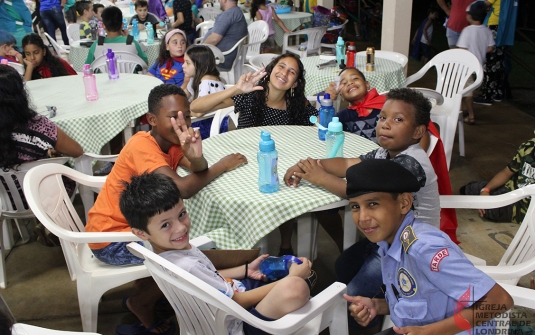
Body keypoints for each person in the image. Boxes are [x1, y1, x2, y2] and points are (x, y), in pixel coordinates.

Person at [85, 84, 247, 334]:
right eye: (173, 117)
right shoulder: (143, 145)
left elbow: (196, 168)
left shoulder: (170, 141)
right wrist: (222, 165)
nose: (181, 123)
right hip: (110, 238)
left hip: (136, 228)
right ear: (151, 120)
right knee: (184, 255)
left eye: (187, 116)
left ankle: (149, 290)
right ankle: (142, 301)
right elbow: (183, 189)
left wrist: (195, 157)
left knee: (182, 237)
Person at [284, 88, 440, 331]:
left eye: (398, 120)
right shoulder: (383, 153)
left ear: (418, 131)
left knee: (354, 295)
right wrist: (310, 165)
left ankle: (358, 320)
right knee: (344, 264)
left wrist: (320, 177)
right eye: (382, 118)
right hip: (386, 240)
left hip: (411, 251)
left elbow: (364, 195)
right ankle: (365, 313)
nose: (386, 125)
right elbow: (350, 164)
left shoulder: (411, 163)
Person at [121, 172, 314, 335]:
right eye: (166, 224)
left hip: (221, 309)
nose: (181, 228)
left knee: (282, 271)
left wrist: (246, 269)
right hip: (236, 324)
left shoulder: (165, 254)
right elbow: (236, 302)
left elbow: (205, 279)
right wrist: (293, 279)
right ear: (141, 233)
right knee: (297, 287)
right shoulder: (186, 265)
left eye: (181, 214)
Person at [343, 159, 514, 334]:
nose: (362, 217)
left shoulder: (424, 248)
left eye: (373, 204)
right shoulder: (389, 244)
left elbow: (500, 300)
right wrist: (377, 306)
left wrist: (428, 332)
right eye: (355, 206)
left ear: (404, 203)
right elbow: (419, 300)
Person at [192, 53, 317, 255]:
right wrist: (235, 89)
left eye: (291, 72)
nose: (284, 73)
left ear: (295, 83)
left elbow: (318, 128)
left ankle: (286, 243)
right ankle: (246, 248)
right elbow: (195, 109)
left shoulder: (298, 105)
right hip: (244, 164)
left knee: (291, 191)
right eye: (281, 66)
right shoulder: (251, 94)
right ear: (270, 70)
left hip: (279, 166)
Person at [0, 64, 83, 246]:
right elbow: (77, 151)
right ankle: (54, 224)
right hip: (44, 197)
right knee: (62, 169)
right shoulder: (38, 125)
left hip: (7, 201)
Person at [460, 136, 535, 224]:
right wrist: (485, 190)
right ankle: (482, 188)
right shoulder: (528, 146)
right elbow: (507, 172)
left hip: (523, 208)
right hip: (512, 188)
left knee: (489, 210)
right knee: (472, 189)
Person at [324, 67, 386, 143]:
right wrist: (327, 101)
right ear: (342, 96)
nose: (350, 83)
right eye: (344, 83)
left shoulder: (386, 106)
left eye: (355, 78)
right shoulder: (343, 116)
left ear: (367, 85)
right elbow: (321, 129)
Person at [456, 1, 495, 125]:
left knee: (466, 92)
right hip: (479, 67)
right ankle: (462, 112)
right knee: (467, 90)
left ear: (469, 15)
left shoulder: (467, 30)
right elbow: (490, 48)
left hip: (466, 67)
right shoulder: (487, 31)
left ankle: (470, 116)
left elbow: (462, 49)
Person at [183, 44, 227, 139]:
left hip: (210, 125)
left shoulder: (207, 82)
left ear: (200, 64)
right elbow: (183, 95)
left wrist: (184, 111)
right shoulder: (195, 77)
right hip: (203, 120)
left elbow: (199, 112)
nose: (183, 66)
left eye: (187, 63)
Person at [474, 0, 506, 105]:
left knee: (489, 61)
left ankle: (487, 96)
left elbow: (484, 4)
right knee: (498, 62)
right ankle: (497, 93)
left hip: (493, 24)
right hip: (502, 25)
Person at [202, 0, 247, 70]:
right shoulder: (237, 12)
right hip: (226, 56)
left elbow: (214, 39)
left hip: (220, 59)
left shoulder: (228, 14)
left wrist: (200, 48)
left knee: (189, 62)